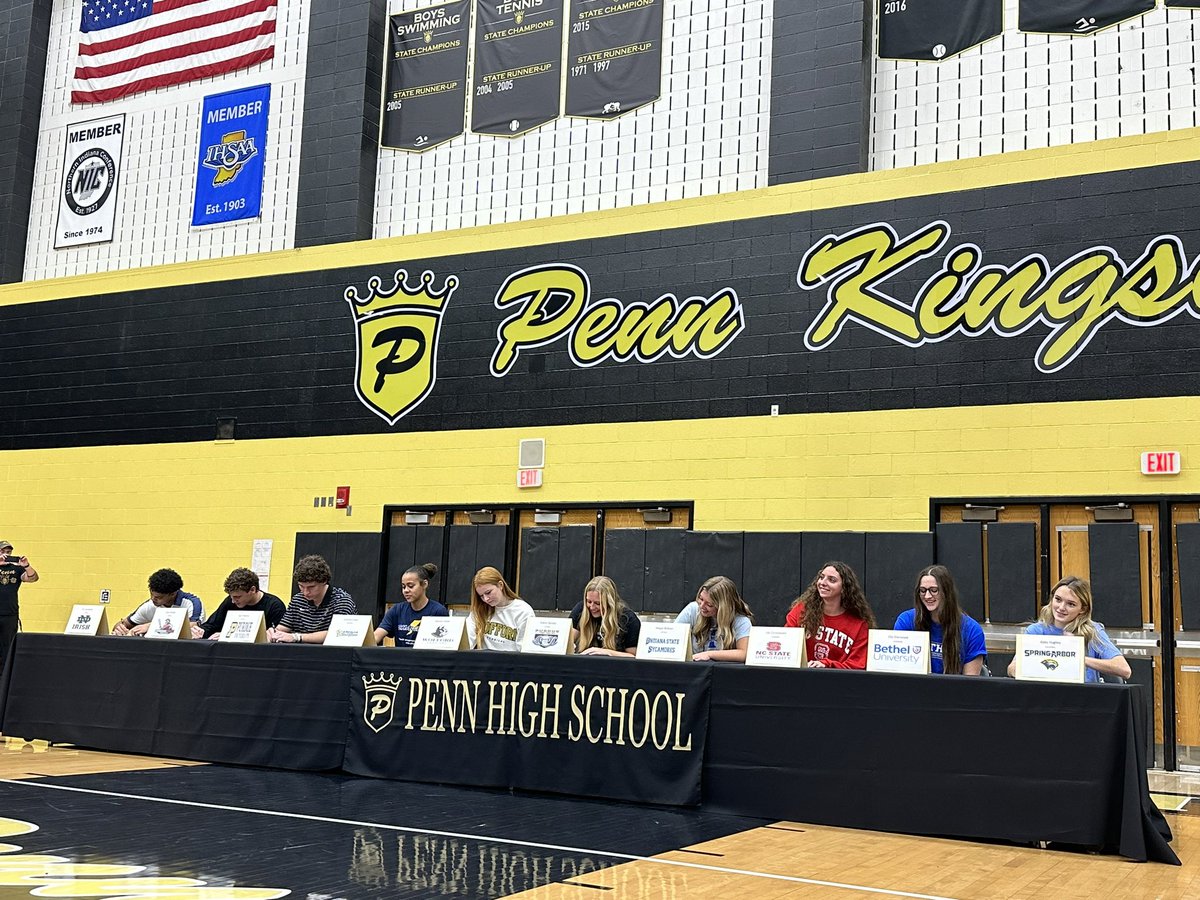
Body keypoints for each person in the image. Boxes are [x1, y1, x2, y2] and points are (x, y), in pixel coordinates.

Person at [1006, 576, 1132, 682]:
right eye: (1058, 600)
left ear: (1082, 609)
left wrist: (1078, 657)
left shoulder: (1093, 631)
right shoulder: (1036, 631)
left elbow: (1124, 670)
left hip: (1084, 702)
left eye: (1070, 604)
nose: (1061, 607)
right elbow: (1012, 669)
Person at [894, 565, 986, 675]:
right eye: (923, 591)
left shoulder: (972, 630)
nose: (927, 596)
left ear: (947, 592)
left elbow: (970, 685)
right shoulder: (906, 621)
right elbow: (899, 675)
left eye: (934, 590)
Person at [785, 561, 876, 669]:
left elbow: (857, 664)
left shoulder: (859, 624)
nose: (823, 582)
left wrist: (828, 664)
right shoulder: (800, 611)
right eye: (821, 577)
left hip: (838, 682)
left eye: (831, 580)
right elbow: (786, 646)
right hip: (800, 679)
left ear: (844, 588)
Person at [268, 555, 357, 644]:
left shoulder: (342, 600)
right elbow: (283, 627)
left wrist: (297, 637)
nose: (305, 592)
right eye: (301, 586)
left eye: (311, 587)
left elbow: (338, 633)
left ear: (324, 581)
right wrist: (273, 633)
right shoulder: (298, 600)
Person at [675, 575, 753, 662]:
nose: (702, 606)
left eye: (709, 605)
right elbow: (672, 636)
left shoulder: (741, 621)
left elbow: (743, 653)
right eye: (701, 599)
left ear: (723, 607)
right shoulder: (692, 609)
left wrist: (709, 654)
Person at [193, 567, 286, 639]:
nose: (233, 601)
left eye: (238, 597)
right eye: (231, 597)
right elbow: (213, 624)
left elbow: (274, 636)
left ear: (252, 590)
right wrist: (200, 631)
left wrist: (227, 635)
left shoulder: (274, 606)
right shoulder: (230, 602)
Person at [374, 563, 449, 648]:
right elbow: (376, 636)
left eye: (410, 586)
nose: (406, 590)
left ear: (424, 584)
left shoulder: (438, 611)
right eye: (403, 587)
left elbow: (443, 645)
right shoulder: (396, 610)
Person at [112, 568, 203, 637]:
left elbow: (192, 629)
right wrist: (120, 628)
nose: (153, 599)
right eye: (151, 594)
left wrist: (151, 626)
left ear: (172, 594)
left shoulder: (191, 603)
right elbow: (124, 624)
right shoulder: (149, 605)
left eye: (159, 597)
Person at [570, 575, 640, 657]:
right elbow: (566, 641)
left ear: (610, 603)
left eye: (598, 603)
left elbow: (633, 656)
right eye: (589, 601)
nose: (592, 607)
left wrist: (606, 652)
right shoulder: (581, 609)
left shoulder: (628, 619)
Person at [466, 566, 532, 652]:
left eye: (488, 592)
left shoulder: (523, 611)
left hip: (511, 663)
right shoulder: (479, 610)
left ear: (500, 585)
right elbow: (466, 642)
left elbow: (524, 650)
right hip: (484, 662)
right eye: (481, 596)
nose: (486, 599)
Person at [0, 540, 38, 671]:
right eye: (2, 552)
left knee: (7, 646)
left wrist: (26, 565)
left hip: (9, 614)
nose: (6, 554)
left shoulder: (16, 568)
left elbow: (33, 578)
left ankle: (4, 676)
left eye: (8, 552)